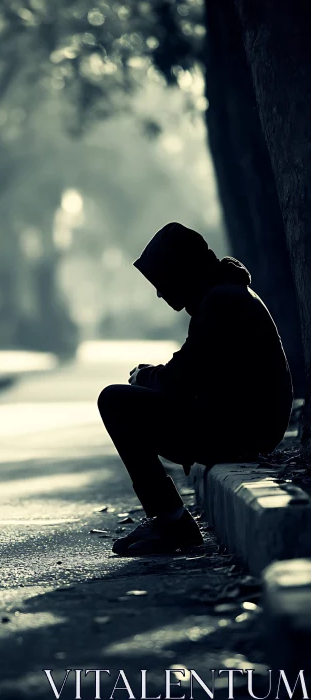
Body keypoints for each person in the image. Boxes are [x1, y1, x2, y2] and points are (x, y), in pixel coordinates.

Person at [98, 222, 293, 556]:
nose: (160, 293)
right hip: (244, 424)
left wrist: (143, 377)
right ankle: (169, 518)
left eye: (161, 280)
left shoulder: (221, 302)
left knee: (114, 401)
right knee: (126, 400)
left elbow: (178, 381)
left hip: (243, 431)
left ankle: (172, 521)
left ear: (181, 270)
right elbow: (192, 370)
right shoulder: (222, 294)